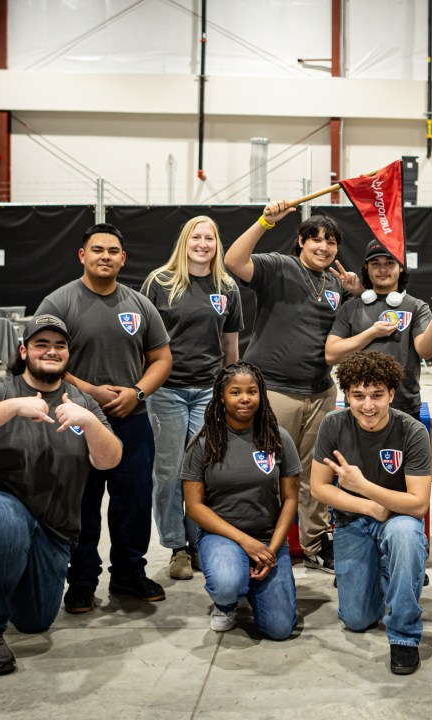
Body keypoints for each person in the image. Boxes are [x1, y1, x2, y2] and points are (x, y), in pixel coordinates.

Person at [0, 315, 122, 675]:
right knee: (4, 524)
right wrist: (14, 407)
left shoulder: (84, 404)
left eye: (59, 345)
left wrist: (87, 421)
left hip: (53, 529)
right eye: (41, 344)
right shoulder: (1, 391)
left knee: (35, 620)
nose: (51, 351)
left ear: (68, 355)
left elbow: (109, 460)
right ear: (24, 351)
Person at [36, 223, 173, 613]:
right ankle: (80, 581)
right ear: (83, 255)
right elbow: (44, 359)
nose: (105, 257)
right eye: (97, 250)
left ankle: (129, 574)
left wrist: (137, 392)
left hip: (132, 419)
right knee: (82, 504)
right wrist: (91, 392)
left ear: (123, 258)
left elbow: (162, 359)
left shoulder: (139, 304)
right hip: (75, 422)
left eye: (113, 251)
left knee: (133, 502)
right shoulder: (58, 304)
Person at [225, 201, 361, 574]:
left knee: (315, 473)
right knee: (266, 471)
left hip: (320, 392)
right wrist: (265, 221)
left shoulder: (336, 282)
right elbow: (234, 261)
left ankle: (315, 544)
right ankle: (261, 543)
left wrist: (354, 293)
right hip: (275, 392)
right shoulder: (278, 266)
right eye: (316, 239)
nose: (324, 247)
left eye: (331, 241)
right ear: (301, 242)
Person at [310, 351, 432, 676]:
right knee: (357, 620)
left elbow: (418, 504)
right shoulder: (332, 424)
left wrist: (362, 486)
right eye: (358, 395)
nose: (368, 406)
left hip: (398, 519)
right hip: (352, 520)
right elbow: (319, 488)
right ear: (346, 394)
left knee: (406, 534)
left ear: (392, 394)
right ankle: (388, 573)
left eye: (377, 395)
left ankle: (404, 636)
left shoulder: (412, 431)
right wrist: (367, 505)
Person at [142, 215, 244, 581]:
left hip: (208, 393)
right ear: (185, 241)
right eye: (196, 237)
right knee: (168, 474)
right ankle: (177, 548)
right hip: (167, 392)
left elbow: (230, 345)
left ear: (217, 244)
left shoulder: (227, 287)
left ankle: (201, 540)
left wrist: (231, 392)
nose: (203, 244)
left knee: (204, 472)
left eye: (210, 238)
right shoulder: (159, 282)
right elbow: (143, 341)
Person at [182, 362, 299, 639]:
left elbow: (291, 498)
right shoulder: (204, 443)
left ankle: (248, 580)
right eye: (235, 392)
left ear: (261, 395)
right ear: (221, 396)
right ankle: (226, 603)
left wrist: (271, 549)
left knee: (280, 630)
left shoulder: (278, 438)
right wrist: (245, 542)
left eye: (252, 391)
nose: (245, 398)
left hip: (268, 535)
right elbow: (194, 506)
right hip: (221, 536)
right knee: (227, 583)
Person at [325, 239, 432, 418]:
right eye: (376, 264)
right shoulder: (351, 307)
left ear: (400, 267)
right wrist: (371, 333)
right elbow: (331, 354)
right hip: (359, 405)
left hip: (404, 406)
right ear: (367, 268)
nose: (382, 269)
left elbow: (426, 351)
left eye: (389, 263)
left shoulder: (416, 307)